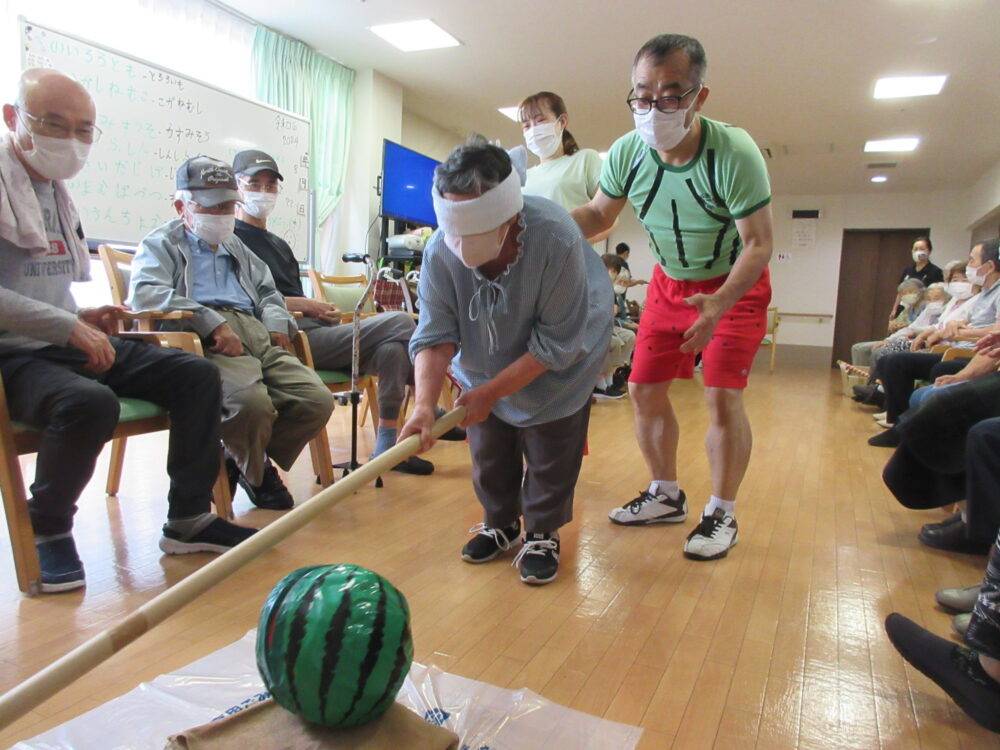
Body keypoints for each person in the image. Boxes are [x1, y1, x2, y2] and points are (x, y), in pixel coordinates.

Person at [0, 69, 256, 592]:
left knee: (195, 375)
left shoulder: (54, 192)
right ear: (12, 119)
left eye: (83, 129)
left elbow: (41, 289)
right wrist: (67, 329)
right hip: (12, 356)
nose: (70, 139)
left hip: (55, 339)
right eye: (54, 123)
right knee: (89, 403)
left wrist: (80, 320)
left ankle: (188, 518)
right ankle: (47, 525)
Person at [571, 33, 773, 561]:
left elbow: (759, 243)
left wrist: (720, 303)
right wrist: (530, 226)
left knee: (721, 395)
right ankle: (666, 494)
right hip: (668, 283)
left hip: (734, 282)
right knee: (642, 388)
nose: (653, 107)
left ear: (700, 96)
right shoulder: (626, 153)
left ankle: (721, 512)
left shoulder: (734, 152)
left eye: (671, 94)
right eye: (642, 94)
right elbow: (597, 216)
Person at [399, 137, 611, 585]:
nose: (460, 244)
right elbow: (435, 334)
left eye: (473, 231)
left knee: (551, 443)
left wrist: (493, 391)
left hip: (563, 352)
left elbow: (555, 344)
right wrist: (423, 405)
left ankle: (541, 531)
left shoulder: (555, 238)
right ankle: (501, 524)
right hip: (484, 355)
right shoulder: (441, 250)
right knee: (489, 445)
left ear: (510, 216)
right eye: (453, 231)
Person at [129, 156, 335, 509]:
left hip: (255, 331)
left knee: (316, 401)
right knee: (248, 405)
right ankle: (258, 473)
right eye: (212, 206)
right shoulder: (161, 243)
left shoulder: (235, 244)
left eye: (228, 205)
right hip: (206, 339)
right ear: (182, 206)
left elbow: (268, 291)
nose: (223, 214)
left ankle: (240, 461)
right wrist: (211, 321)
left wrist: (274, 322)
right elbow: (145, 293)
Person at [230, 149, 436, 475]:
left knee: (391, 349)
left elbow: (289, 296)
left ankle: (388, 447)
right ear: (236, 187)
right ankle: (429, 400)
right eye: (255, 184)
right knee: (399, 320)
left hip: (313, 330)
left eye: (271, 185)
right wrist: (305, 305)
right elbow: (244, 302)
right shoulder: (229, 242)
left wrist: (319, 310)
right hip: (286, 340)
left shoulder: (280, 245)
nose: (264, 192)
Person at [868, 239, 1000, 446]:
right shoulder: (984, 294)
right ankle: (898, 425)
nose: (969, 266)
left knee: (941, 367)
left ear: (989, 266)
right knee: (892, 361)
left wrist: (963, 330)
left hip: (970, 351)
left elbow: (995, 330)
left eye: (972, 261)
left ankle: (917, 432)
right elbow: (962, 320)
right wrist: (957, 324)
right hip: (955, 345)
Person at [519, 91, 615, 245]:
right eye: (526, 126)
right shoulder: (524, 177)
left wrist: (576, 246)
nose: (533, 130)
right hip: (537, 265)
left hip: (578, 263)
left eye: (540, 120)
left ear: (562, 121)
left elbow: (610, 217)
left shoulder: (585, 160)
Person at [888, 236, 943, 322]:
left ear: (929, 251)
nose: (918, 252)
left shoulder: (935, 271)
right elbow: (900, 292)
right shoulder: (908, 270)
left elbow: (937, 293)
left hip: (922, 311)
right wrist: (894, 309)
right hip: (904, 308)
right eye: (915, 249)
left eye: (922, 249)